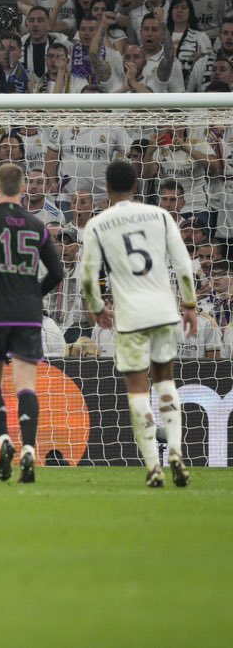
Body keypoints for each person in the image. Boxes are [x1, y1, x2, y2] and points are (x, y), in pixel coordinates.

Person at [79, 160, 198, 488]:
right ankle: (175, 450)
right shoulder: (160, 216)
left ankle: (152, 466)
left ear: (107, 187)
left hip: (130, 316)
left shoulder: (98, 223)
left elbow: (87, 276)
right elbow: (183, 262)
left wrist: (97, 307)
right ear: (136, 185)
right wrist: (189, 305)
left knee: (137, 390)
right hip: (163, 311)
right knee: (165, 382)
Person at [0, 163, 65, 484]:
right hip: (28, 314)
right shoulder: (37, 224)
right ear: (23, 189)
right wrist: (34, 294)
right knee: (25, 385)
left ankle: (4, 439)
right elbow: (58, 273)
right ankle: (29, 448)